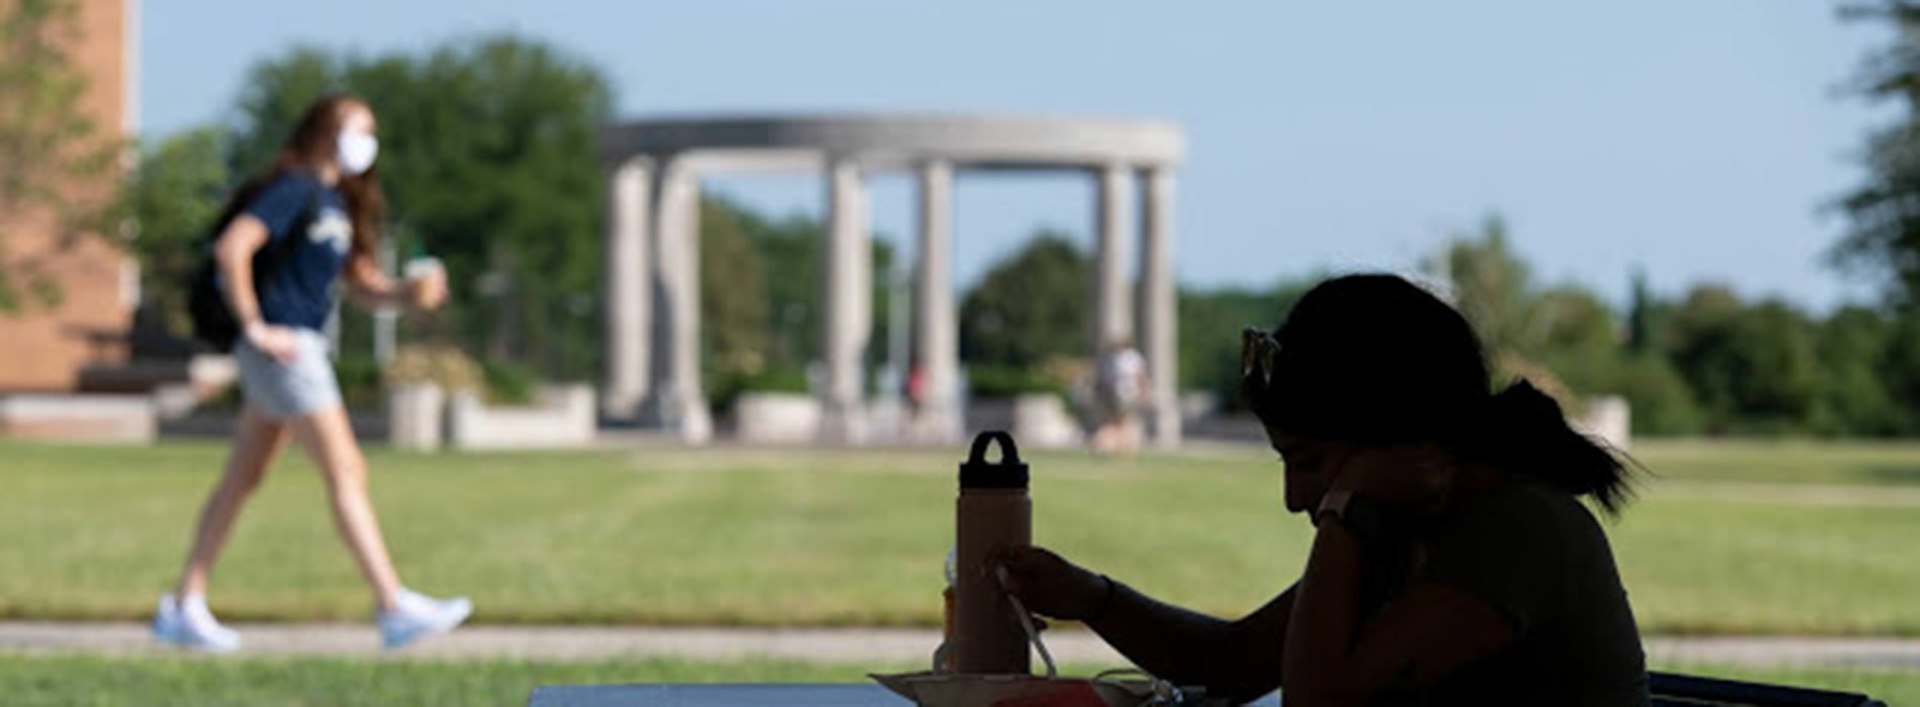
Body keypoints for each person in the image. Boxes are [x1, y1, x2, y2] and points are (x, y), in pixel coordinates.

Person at [998, 274, 1649, 706]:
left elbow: (1318, 701)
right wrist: (1091, 596)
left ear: (1392, 433)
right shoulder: (1418, 527)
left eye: (1308, 461)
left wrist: (1347, 510)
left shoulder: (1515, 528)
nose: (1293, 495)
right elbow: (1233, 660)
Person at [154, 94, 471, 652]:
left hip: (298, 348)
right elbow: (234, 248)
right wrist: (255, 326)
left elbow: (362, 286)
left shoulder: (335, 203)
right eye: (358, 130)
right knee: (346, 468)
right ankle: (392, 606)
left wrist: (407, 294)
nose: (366, 144)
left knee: (242, 478)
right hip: (286, 349)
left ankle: (184, 604)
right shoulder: (294, 187)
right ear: (326, 132)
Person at [1090, 338, 1149, 455]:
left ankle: (1105, 443)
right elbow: (1140, 377)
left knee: (1112, 420)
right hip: (1128, 393)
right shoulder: (1133, 357)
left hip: (1111, 393)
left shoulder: (1110, 358)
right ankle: (1123, 447)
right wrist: (1144, 393)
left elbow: (1101, 380)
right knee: (1125, 421)